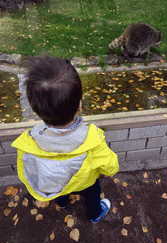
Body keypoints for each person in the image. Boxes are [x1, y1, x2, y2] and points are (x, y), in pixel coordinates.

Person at [12, 54, 119, 223]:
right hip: (85, 182)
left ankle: (62, 203)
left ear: (36, 110)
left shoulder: (28, 142)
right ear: (80, 106)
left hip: (57, 185)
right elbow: (109, 163)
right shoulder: (92, 139)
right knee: (93, 194)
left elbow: (27, 169)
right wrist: (111, 171)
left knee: (60, 191)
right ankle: (95, 214)